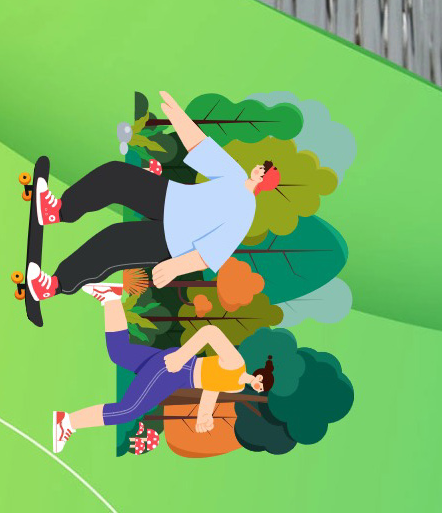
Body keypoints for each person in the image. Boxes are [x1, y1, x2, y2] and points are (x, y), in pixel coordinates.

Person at [24, 89, 281, 302]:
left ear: (264, 182)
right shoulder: (235, 174)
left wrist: (175, 267)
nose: (259, 168)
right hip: (171, 199)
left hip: (173, 239)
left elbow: (211, 252)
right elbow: (200, 147)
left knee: (111, 242)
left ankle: (53, 285)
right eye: (263, 166)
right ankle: (57, 211)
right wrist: (178, 116)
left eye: (264, 171)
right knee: (115, 175)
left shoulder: (245, 212)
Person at [49, 281, 274, 452]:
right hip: (177, 368)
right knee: (129, 410)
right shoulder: (237, 363)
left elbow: (211, 388)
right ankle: (67, 422)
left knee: (119, 352)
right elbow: (210, 332)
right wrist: (181, 357)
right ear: (259, 374)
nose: (259, 386)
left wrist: (204, 416)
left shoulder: (236, 387)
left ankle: (111, 299)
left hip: (179, 377)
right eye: (261, 381)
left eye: (262, 388)